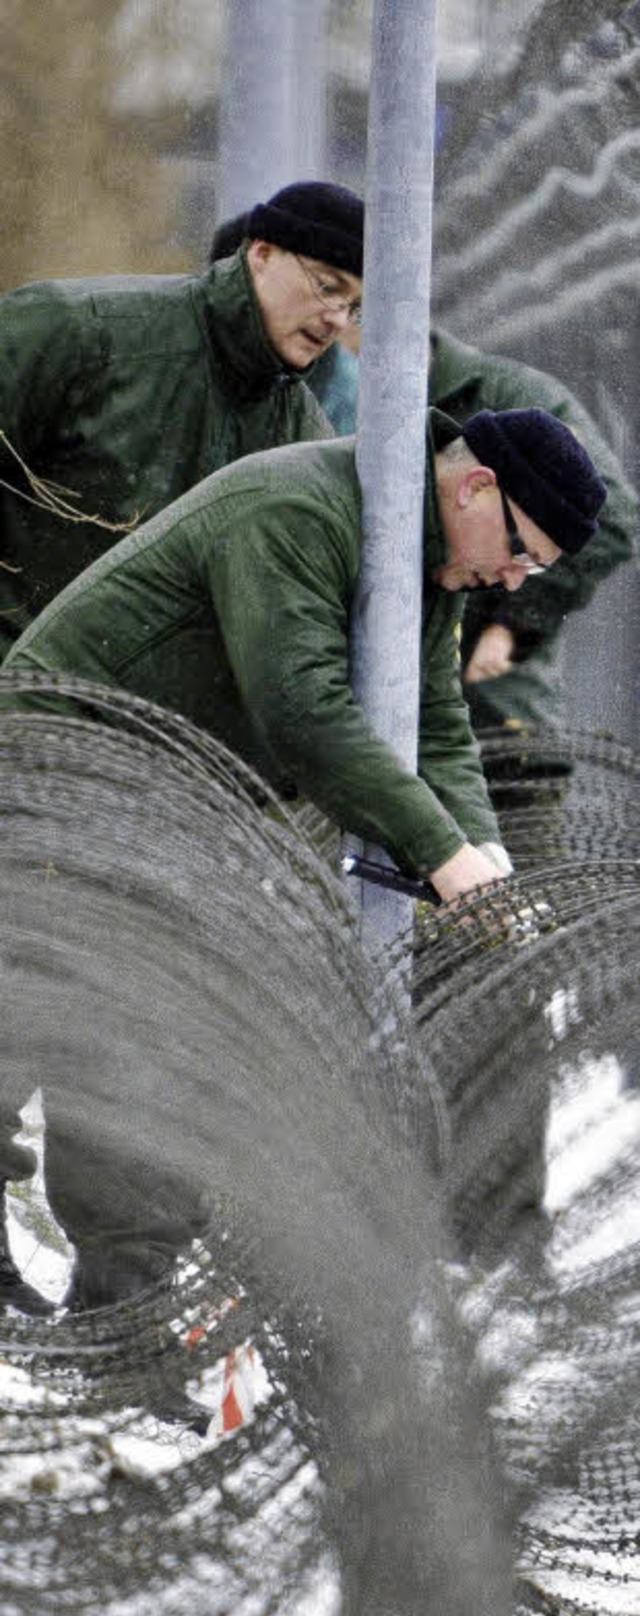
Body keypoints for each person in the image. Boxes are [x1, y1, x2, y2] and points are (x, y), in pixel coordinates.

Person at [1, 406, 606, 1312]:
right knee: (83, 1024)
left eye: (533, 571)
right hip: (70, 767)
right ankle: (120, 1315)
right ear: (476, 484)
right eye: (519, 551)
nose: (513, 579)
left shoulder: (418, 550)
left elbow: (433, 721)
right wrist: (441, 856)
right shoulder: (300, 512)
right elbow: (305, 711)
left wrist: (485, 853)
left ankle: (125, 1312)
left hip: (172, 801)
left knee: (142, 1044)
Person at [0, 180, 364, 660]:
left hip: (147, 728)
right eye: (327, 287)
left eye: (354, 306)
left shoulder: (304, 439)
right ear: (262, 253)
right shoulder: (80, 333)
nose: (337, 319)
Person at [299, 325, 636, 735]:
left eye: (349, 302)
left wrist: (513, 623)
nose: (329, 321)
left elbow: (610, 521)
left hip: (493, 705)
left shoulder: (507, 396)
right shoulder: (325, 394)